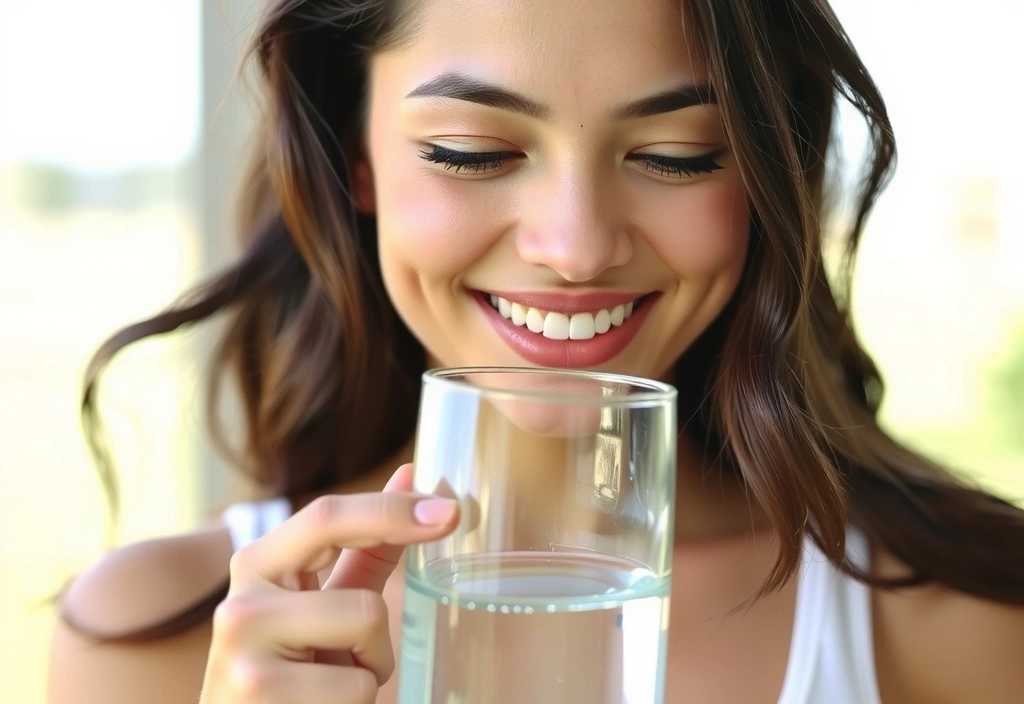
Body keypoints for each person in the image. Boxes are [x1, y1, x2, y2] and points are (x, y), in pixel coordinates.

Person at [47, 0, 1024, 702]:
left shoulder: (965, 620)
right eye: (472, 152)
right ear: (356, 156)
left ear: (770, 169)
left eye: (676, 154)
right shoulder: (153, 644)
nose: (576, 245)